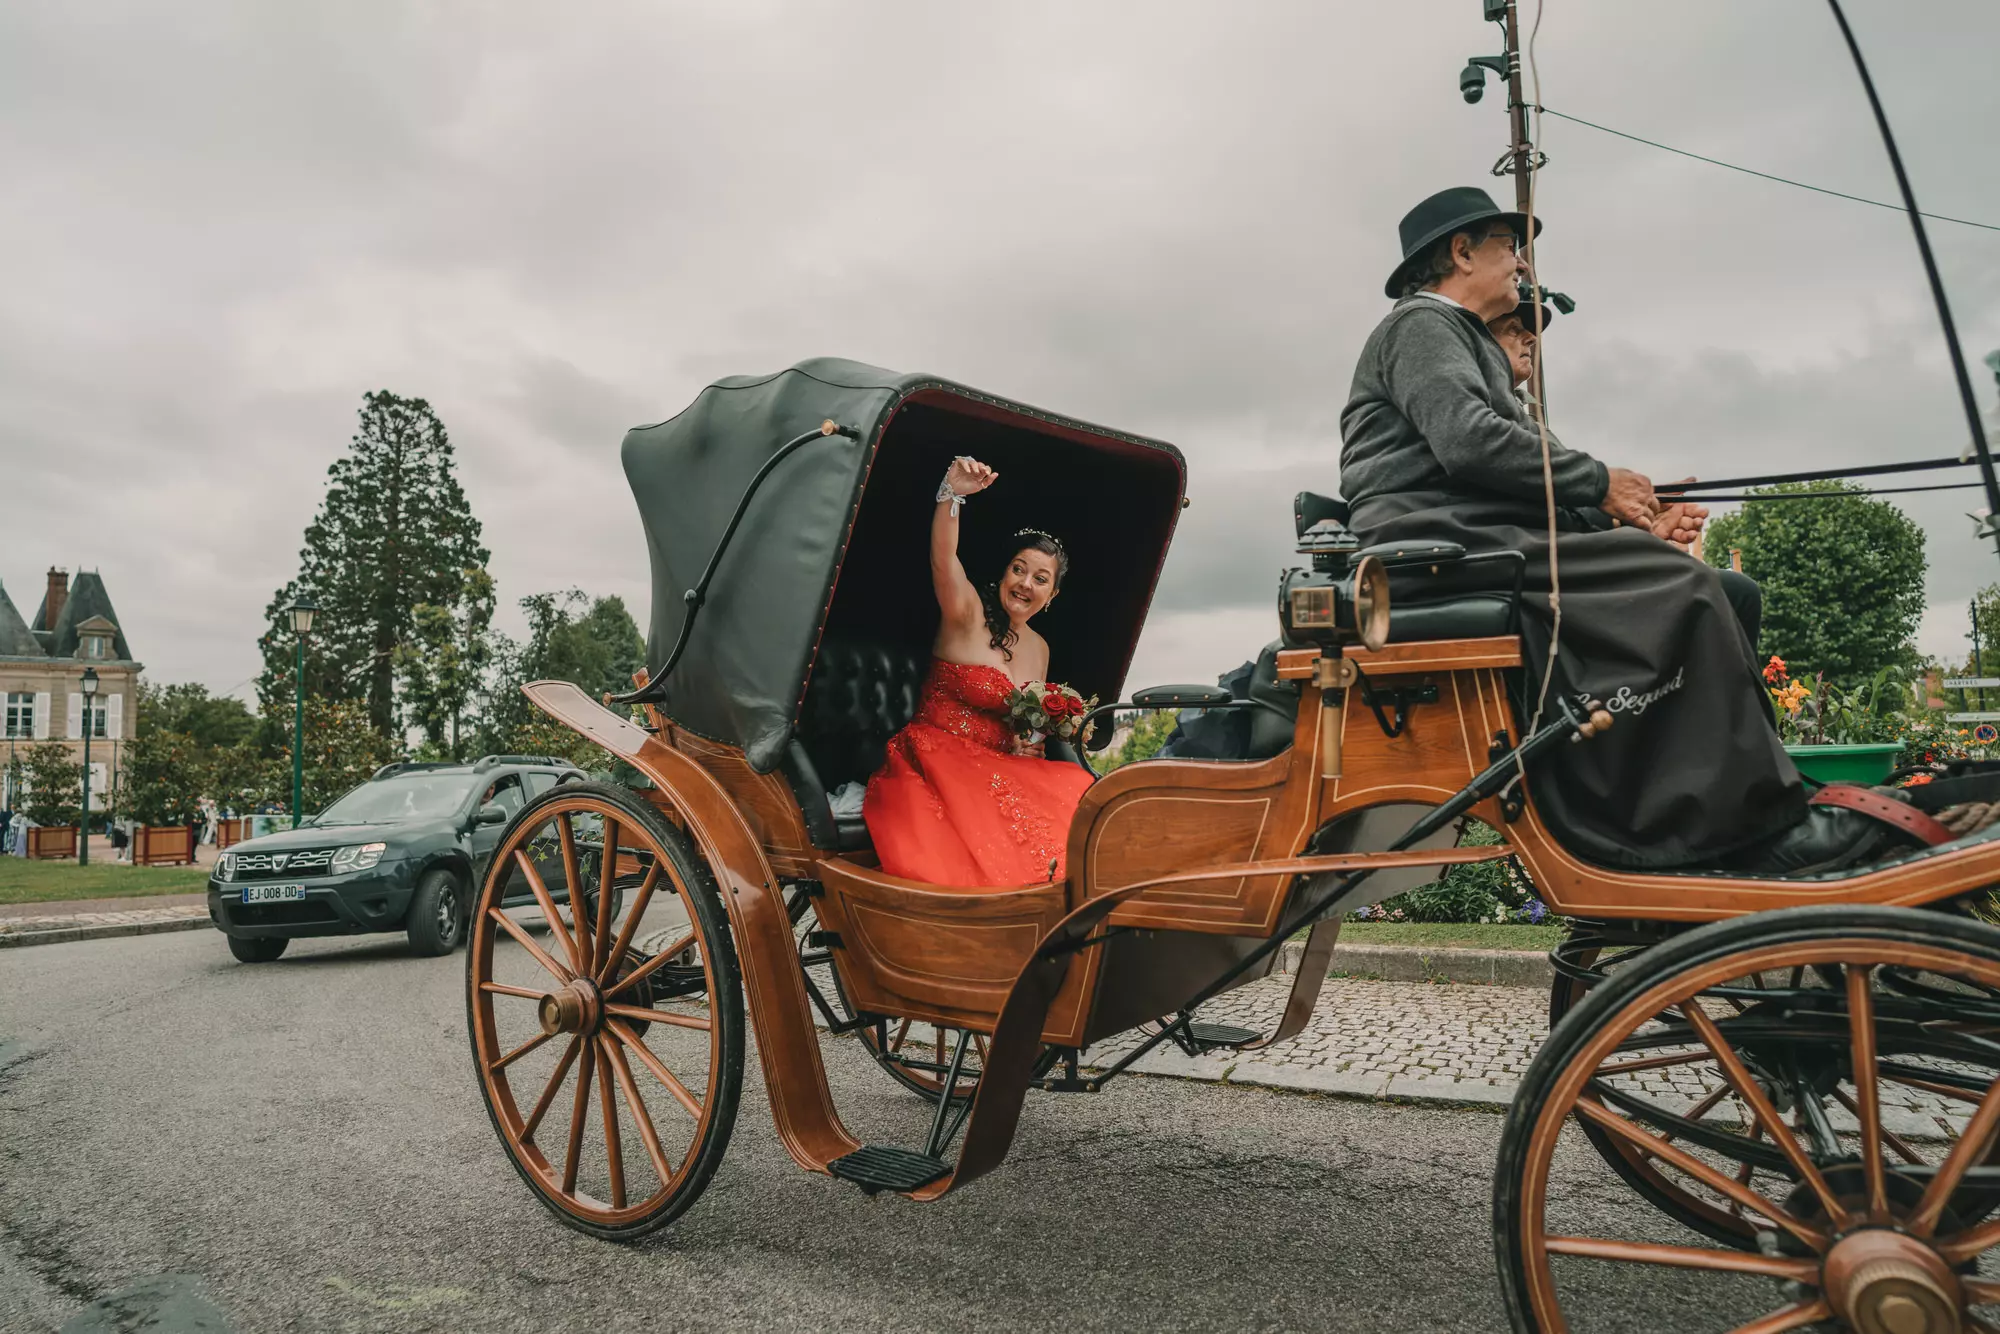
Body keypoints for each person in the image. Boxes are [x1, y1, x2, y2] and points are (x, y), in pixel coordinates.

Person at [1340, 185, 1903, 874]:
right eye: (1510, 247)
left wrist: (1633, 514)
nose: (1523, 265)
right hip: (1442, 546)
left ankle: (1728, 800)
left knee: (1727, 590)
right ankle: (1733, 826)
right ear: (1461, 253)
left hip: (1483, 537)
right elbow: (1470, 444)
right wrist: (1603, 484)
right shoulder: (1420, 326)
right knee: (1686, 587)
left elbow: (1514, 477)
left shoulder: (1460, 343)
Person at [862, 455, 1096, 886]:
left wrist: (1031, 743)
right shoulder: (965, 613)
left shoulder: (1039, 648)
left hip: (1000, 765)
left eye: (1040, 578)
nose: (1026, 583)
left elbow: (1030, 723)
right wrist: (952, 494)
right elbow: (942, 558)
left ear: (1053, 593)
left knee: (1075, 793)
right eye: (1019, 569)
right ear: (1005, 572)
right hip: (935, 757)